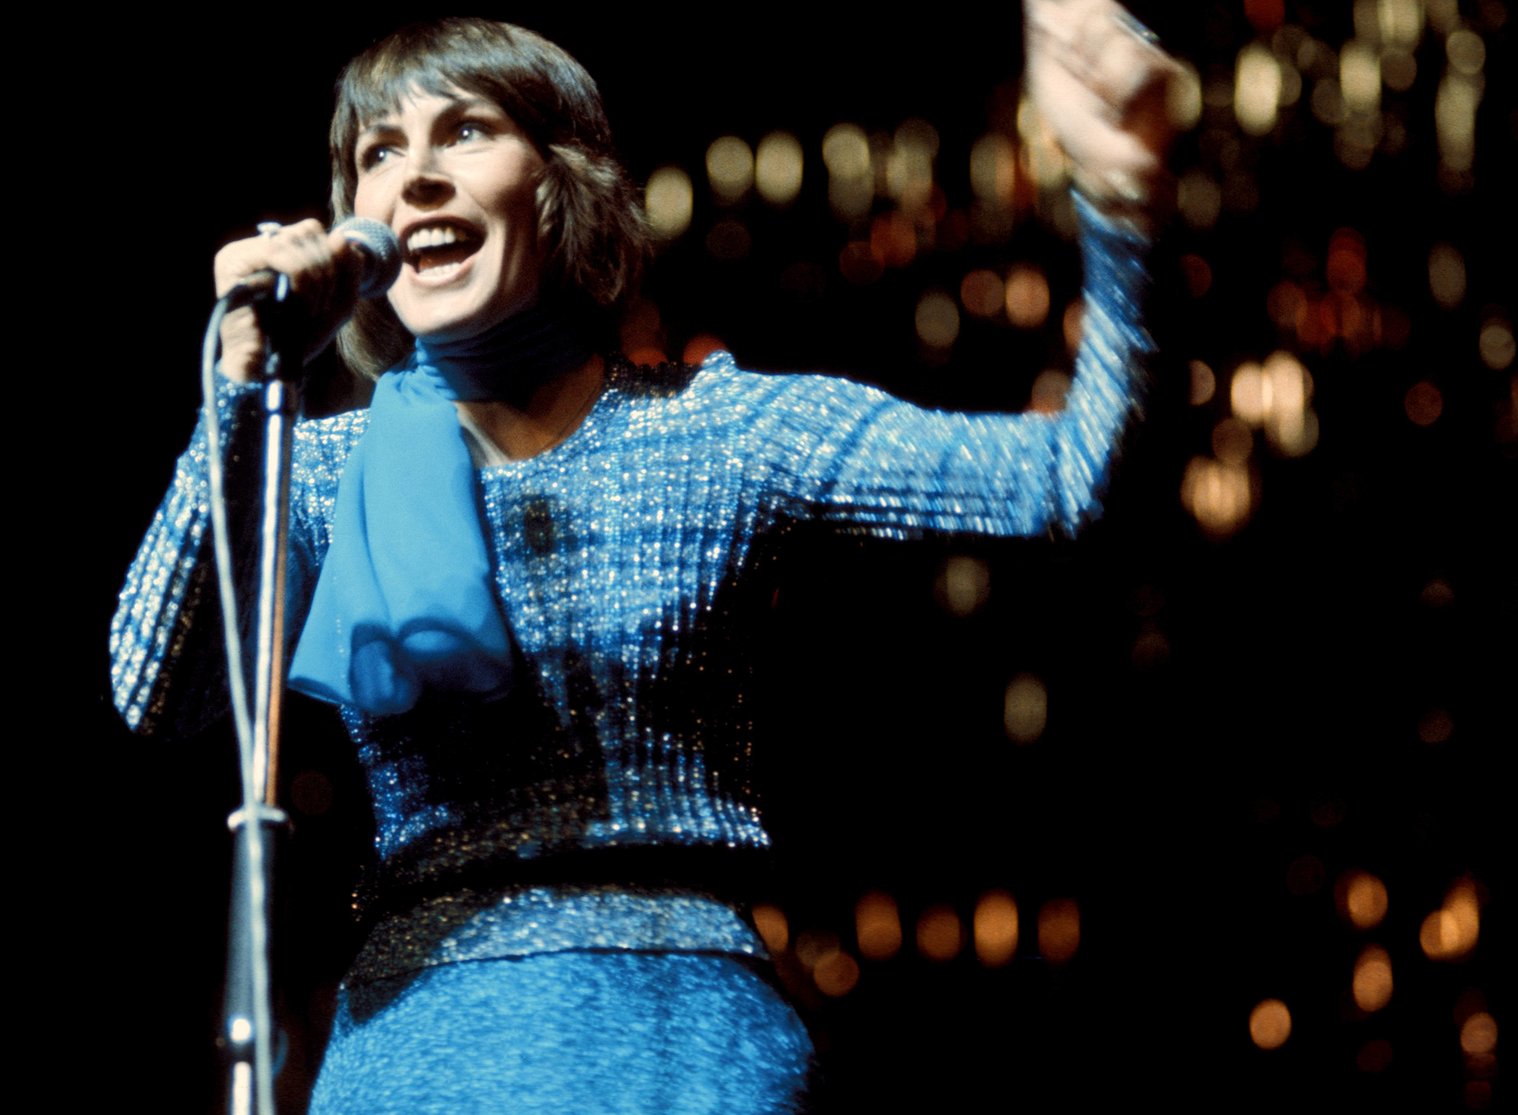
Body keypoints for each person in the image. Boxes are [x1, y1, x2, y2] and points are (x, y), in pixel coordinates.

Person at [111, 6, 1178, 1111]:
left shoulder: (719, 432)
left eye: (465, 132)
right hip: (411, 1054)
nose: (416, 176)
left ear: (561, 183)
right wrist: (239, 387)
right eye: (380, 152)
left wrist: (1120, 202)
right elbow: (156, 688)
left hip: (682, 1047)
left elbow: (1068, 482)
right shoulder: (319, 464)